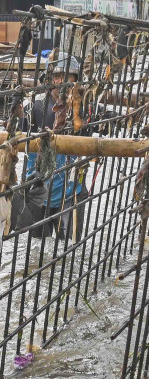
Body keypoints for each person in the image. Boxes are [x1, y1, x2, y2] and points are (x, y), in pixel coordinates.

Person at [10, 52, 86, 240]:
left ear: (75, 80)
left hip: (70, 192)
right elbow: (14, 140)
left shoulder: (83, 109)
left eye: (67, 76)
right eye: (57, 76)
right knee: (35, 249)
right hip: (38, 193)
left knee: (69, 249)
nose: (61, 82)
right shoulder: (34, 108)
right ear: (50, 80)